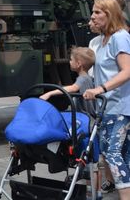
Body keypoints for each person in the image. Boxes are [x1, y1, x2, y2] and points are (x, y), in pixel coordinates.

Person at [40, 47, 103, 199]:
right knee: (88, 159)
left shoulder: (83, 79)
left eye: (71, 59)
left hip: (87, 122)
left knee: (90, 159)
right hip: (86, 121)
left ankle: (95, 191)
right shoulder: (87, 78)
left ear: (79, 64)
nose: (69, 61)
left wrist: (49, 93)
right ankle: (93, 190)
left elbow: (73, 88)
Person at [83, 0, 130, 200]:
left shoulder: (120, 37)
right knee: (121, 154)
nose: (92, 16)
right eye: (93, 11)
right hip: (106, 108)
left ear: (109, 14)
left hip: (121, 106)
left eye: (97, 12)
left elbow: (127, 71)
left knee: (112, 154)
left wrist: (101, 88)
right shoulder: (101, 41)